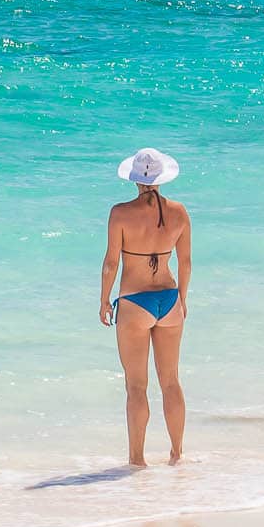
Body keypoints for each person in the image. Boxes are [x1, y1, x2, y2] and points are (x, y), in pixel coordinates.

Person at [99, 149, 191, 467]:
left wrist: (103, 300)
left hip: (135, 302)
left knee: (136, 385)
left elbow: (112, 263)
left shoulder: (120, 213)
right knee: (171, 381)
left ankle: (137, 460)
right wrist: (184, 299)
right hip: (169, 300)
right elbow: (186, 262)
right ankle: (177, 453)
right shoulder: (179, 212)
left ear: (136, 180)